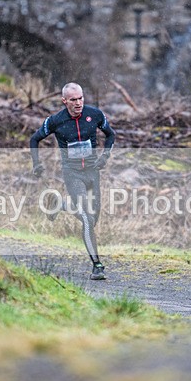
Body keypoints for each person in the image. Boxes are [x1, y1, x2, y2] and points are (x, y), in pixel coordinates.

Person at [30, 82, 116, 280]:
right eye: (73, 100)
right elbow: (34, 140)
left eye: (80, 99)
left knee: (94, 219)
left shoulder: (94, 115)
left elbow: (111, 135)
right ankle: (97, 265)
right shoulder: (55, 121)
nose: (78, 103)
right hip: (72, 173)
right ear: (64, 101)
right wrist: (36, 164)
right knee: (86, 217)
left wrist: (105, 157)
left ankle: (60, 204)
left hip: (93, 172)